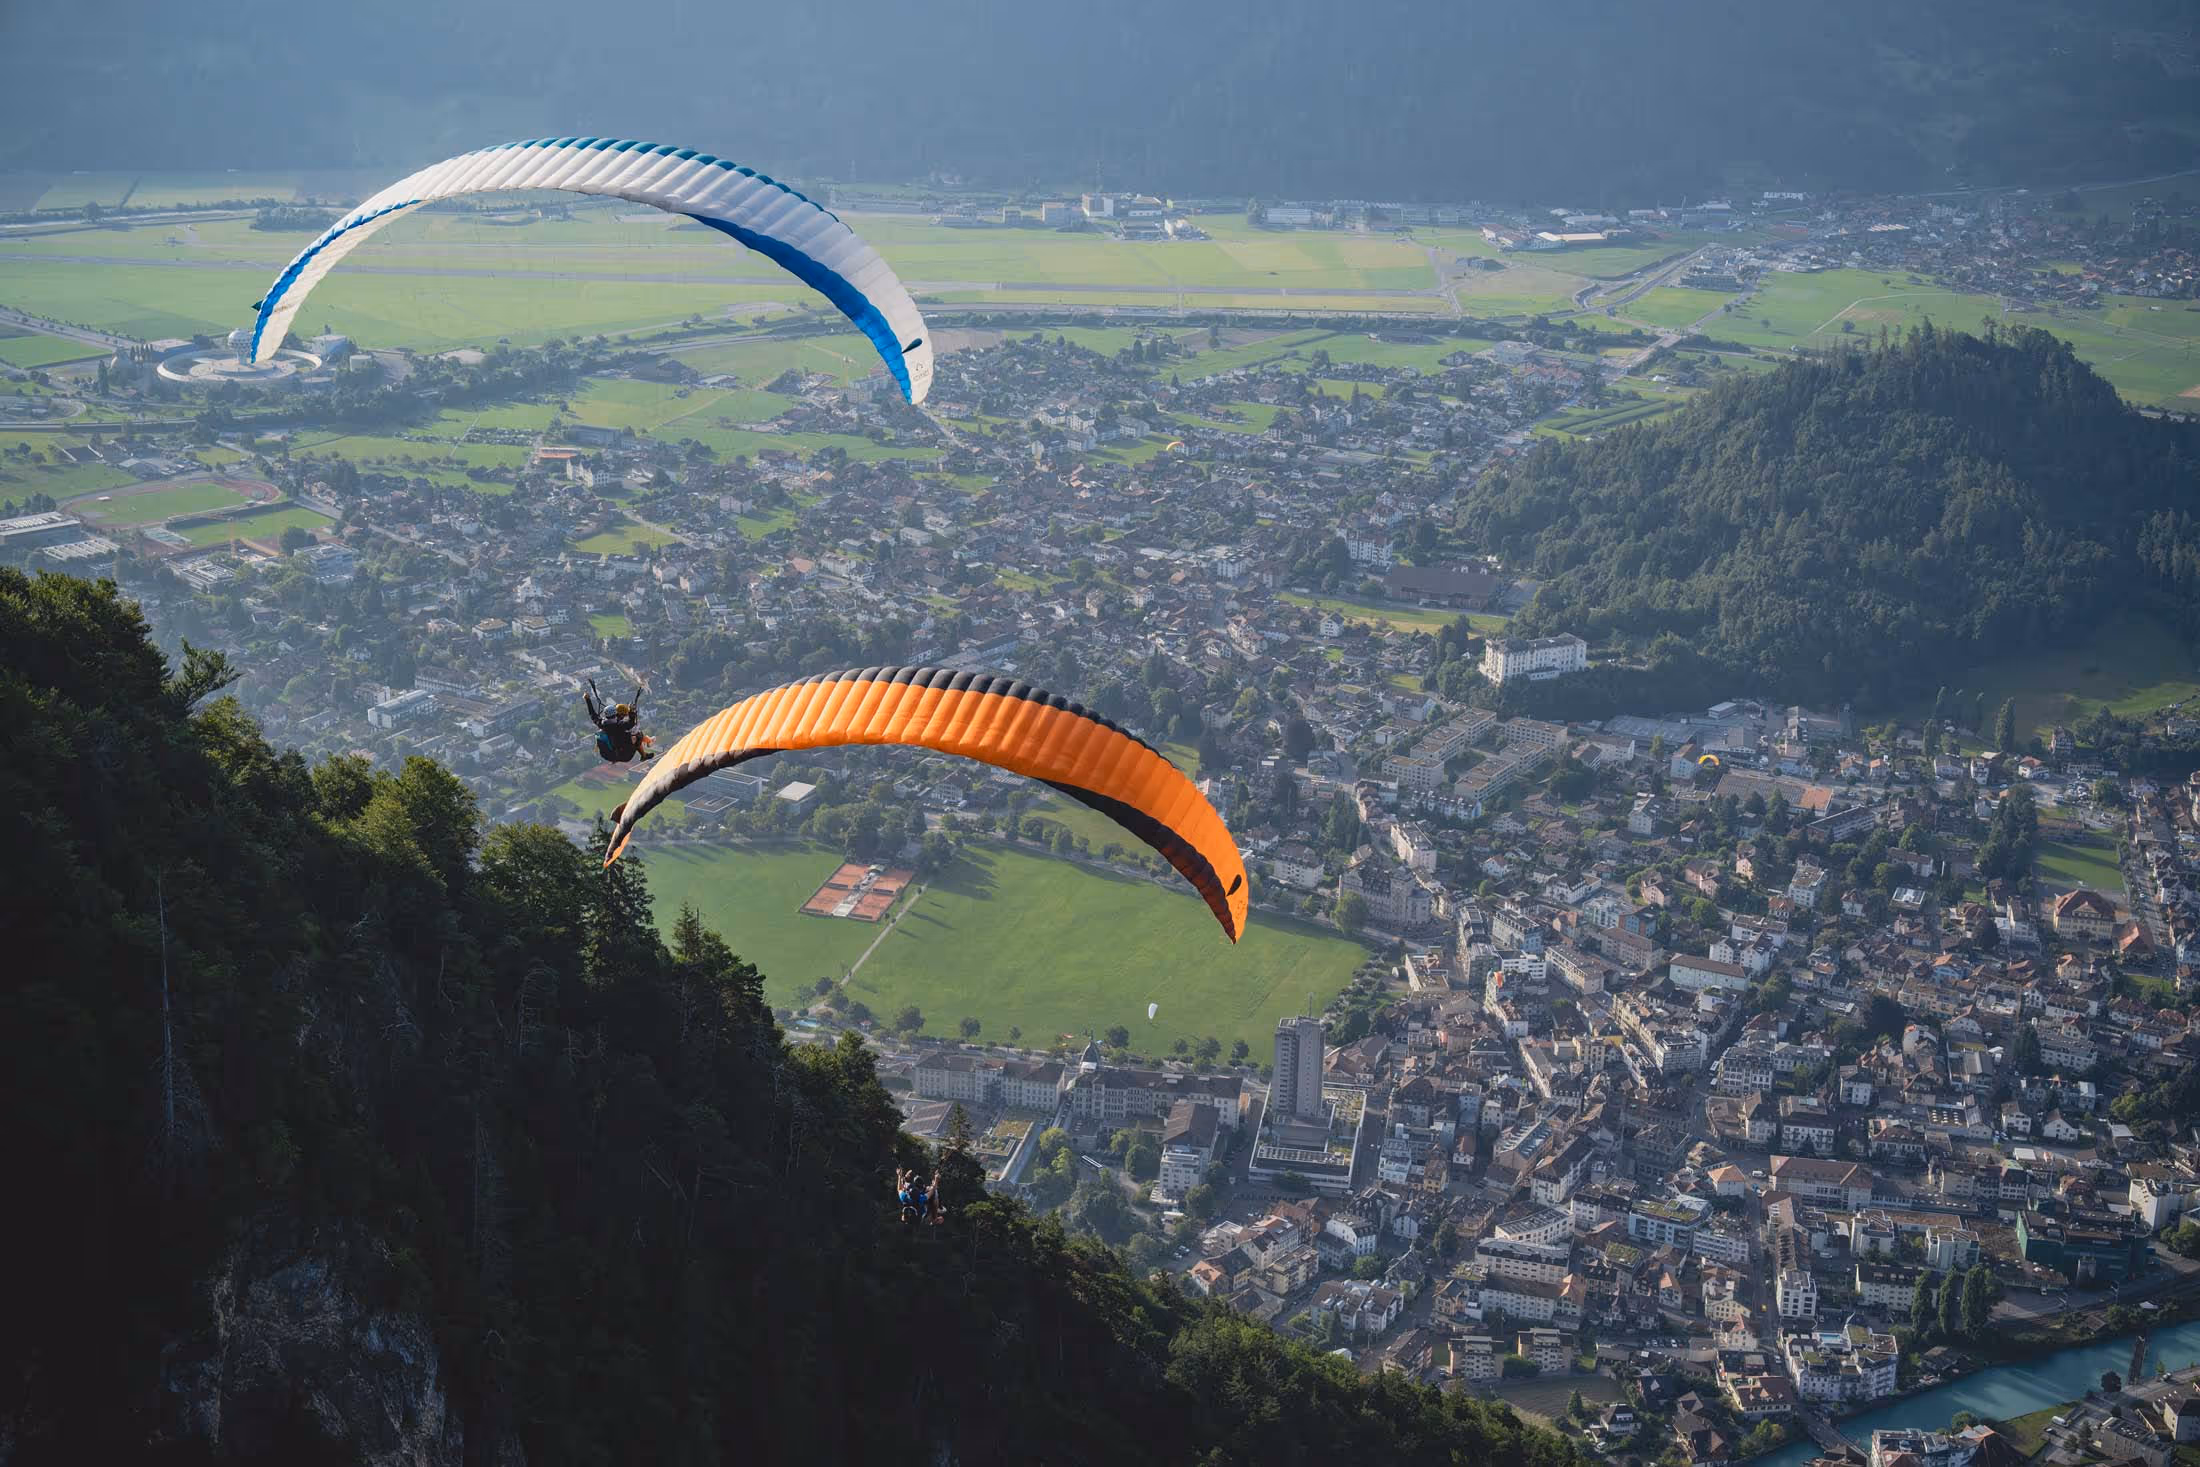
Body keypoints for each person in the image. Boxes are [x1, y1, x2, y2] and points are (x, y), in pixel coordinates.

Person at [584, 676, 654, 764]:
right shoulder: (621, 725)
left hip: (608, 755)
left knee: (617, 739)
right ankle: (643, 755)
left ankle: (615, 759)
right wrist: (631, 712)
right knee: (638, 735)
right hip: (625, 756)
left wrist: (587, 700)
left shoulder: (601, 723)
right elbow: (631, 723)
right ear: (615, 714)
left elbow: (592, 714)